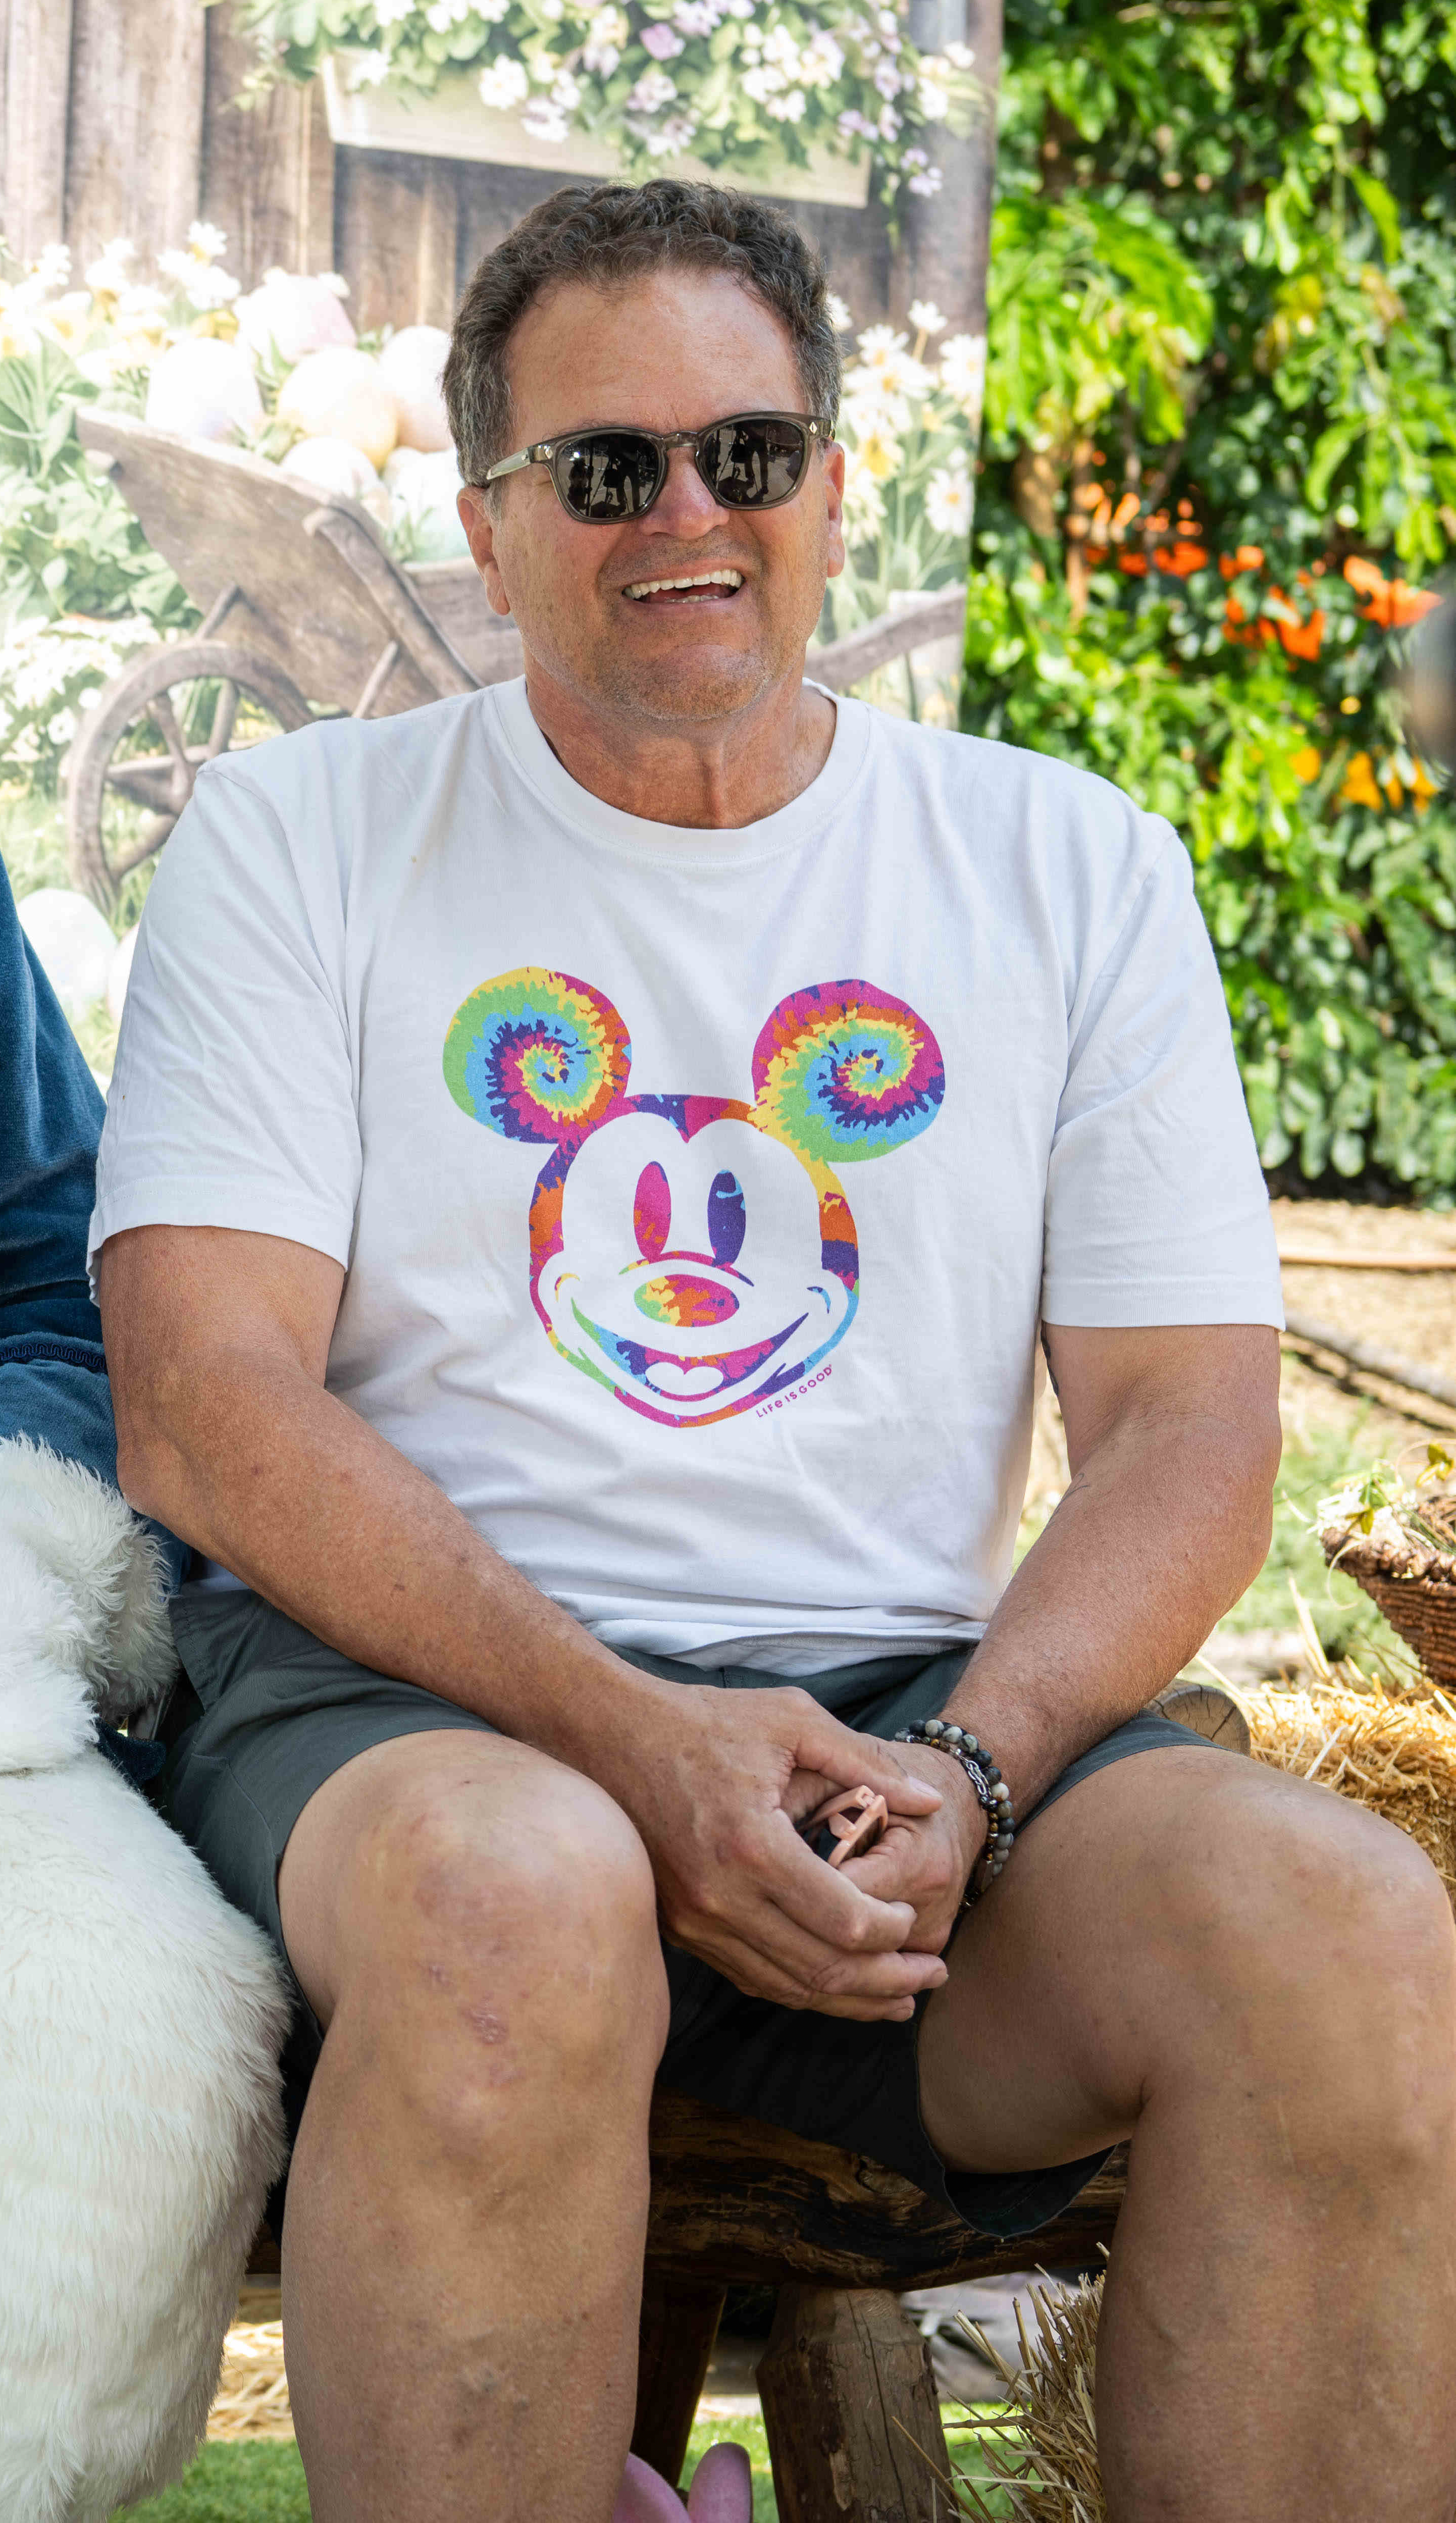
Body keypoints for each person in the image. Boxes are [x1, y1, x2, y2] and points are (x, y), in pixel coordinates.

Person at [100, 178, 1456, 2522]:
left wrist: (978, 1769)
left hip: (913, 1737)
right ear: (487, 520)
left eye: (746, 450)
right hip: (411, 1715)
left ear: (834, 481)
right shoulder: (299, 838)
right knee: (519, 1891)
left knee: (1344, 1926)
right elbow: (207, 1405)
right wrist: (635, 1740)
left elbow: (1188, 1428)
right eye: (604, 468)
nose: (687, 513)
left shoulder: (1071, 864)